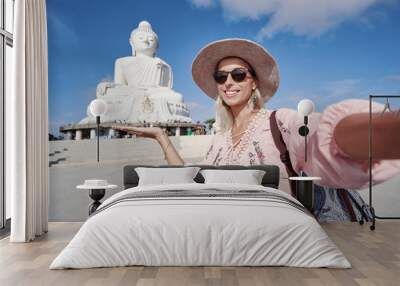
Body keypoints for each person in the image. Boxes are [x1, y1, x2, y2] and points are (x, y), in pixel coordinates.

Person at [113, 38, 400, 219]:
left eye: (238, 74)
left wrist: (386, 131)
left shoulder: (281, 121)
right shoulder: (219, 140)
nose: (228, 82)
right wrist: (163, 138)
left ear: (254, 82)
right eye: (220, 76)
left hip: (284, 237)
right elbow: (193, 184)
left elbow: (323, 138)